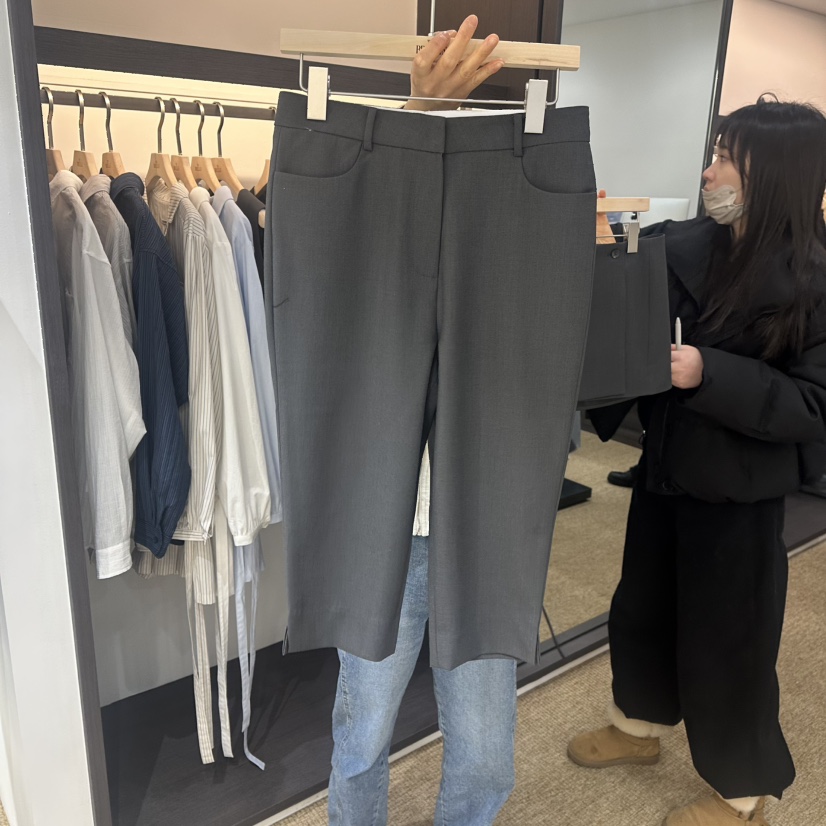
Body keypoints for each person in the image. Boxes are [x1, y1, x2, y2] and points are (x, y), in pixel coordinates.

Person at [569, 96, 826, 826]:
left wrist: (708, 372)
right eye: (714, 154)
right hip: (666, 469)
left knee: (730, 639)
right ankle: (637, 725)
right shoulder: (682, 244)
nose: (709, 172)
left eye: (726, 159)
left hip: (740, 493)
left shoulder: (816, 280)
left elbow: (815, 406)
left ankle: (742, 793)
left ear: (774, 173)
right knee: (643, 606)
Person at [327, 17, 515, 826]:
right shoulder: (373, 209)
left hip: (484, 521)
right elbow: (369, 248)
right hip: (387, 521)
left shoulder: (513, 212)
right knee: (361, 730)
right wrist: (418, 112)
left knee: (485, 753)